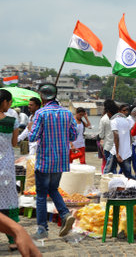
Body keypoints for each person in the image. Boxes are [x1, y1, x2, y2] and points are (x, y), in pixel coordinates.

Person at [29, 83, 77, 240]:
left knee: (42, 194)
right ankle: (64, 213)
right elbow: (73, 136)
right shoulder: (67, 113)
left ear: (42, 96)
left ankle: (42, 228)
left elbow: (33, 137)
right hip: (61, 160)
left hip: (45, 160)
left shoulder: (41, 113)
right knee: (53, 189)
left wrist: (31, 128)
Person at [0, 89, 20, 251]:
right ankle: (13, 239)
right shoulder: (12, 121)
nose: (10, 105)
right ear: (5, 102)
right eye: (9, 102)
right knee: (7, 202)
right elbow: (14, 143)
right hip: (5, 167)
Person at [109, 106, 134, 179]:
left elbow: (116, 136)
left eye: (127, 110)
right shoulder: (127, 121)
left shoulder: (114, 121)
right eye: (124, 110)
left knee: (108, 172)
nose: (126, 112)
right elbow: (130, 136)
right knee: (128, 175)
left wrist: (117, 153)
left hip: (116, 152)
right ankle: (131, 188)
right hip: (126, 152)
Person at [99, 100, 117, 174]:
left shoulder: (103, 119)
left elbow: (101, 135)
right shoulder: (118, 118)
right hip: (117, 147)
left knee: (109, 167)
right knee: (113, 167)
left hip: (108, 146)